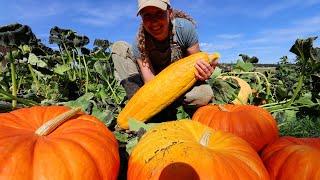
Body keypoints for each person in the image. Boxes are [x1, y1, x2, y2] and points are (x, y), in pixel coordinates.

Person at [111, 0, 217, 122]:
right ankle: (136, 99)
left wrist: (204, 72)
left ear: (170, 13)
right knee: (119, 47)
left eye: (159, 13)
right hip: (153, 84)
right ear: (141, 18)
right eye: (147, 15)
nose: (154, 21)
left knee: (204, 94)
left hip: (178, 84)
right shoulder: (139, 42)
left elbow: (196, 63)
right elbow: (151, 83)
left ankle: (159, 110)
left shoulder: (184, 29)